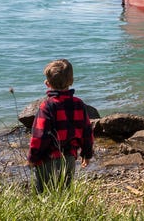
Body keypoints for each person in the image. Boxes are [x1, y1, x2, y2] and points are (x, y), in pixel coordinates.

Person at [27, 58, 95, 191]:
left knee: (43, 193)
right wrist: (87, 154)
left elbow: (39, 136)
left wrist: (32, 157)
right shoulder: (78, 104)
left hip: (46, 159)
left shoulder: (47, 106)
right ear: (71, 81)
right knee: (65, 191)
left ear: (47, 83)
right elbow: (87, 131)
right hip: (69, 157)